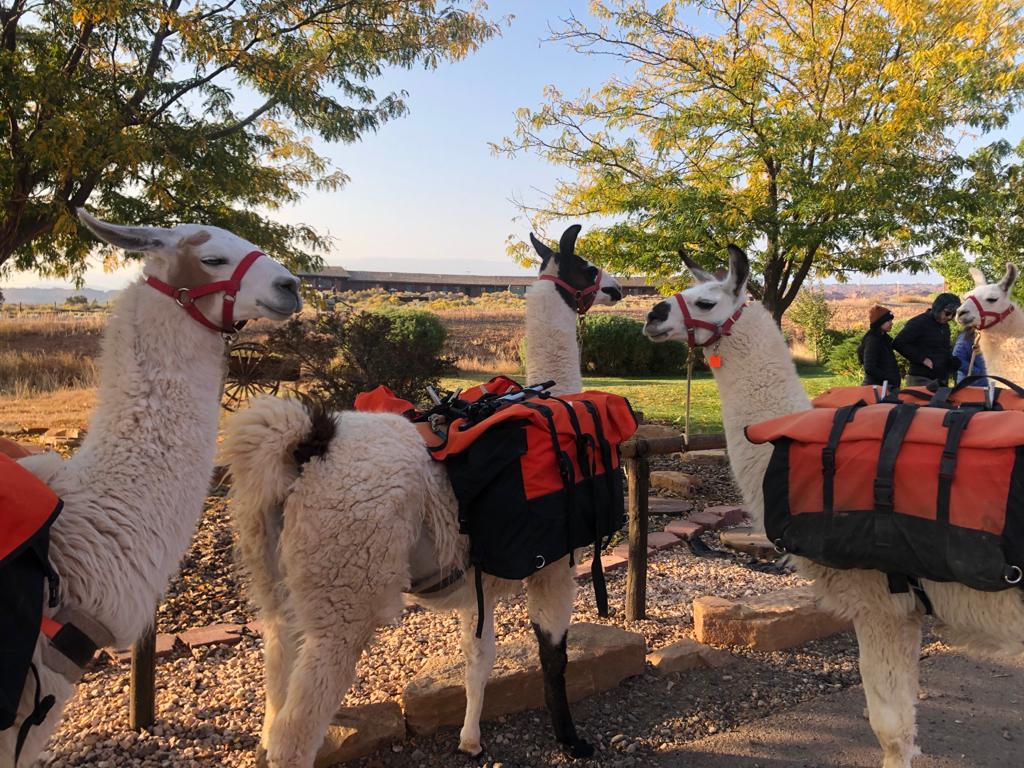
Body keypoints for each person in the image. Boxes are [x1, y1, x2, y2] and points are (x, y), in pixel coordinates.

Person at [893, 292, 962, 388]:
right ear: (938, 308)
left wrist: (950, 362)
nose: (949, 317)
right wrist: (922, 359)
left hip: (940, 380)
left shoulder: (945, 326)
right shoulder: (919, 322)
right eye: (947, 313)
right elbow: (898, 343)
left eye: (953, 315)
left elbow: (943, 349)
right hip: (921, 379)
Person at [859, 304, 901, 390]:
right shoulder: (872, 340)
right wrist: (889, 378)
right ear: (880, 323)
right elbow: (869, 367)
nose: (891, 323)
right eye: (888, 321)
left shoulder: (884, 339)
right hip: (876, 389)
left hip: (886, 387)